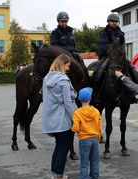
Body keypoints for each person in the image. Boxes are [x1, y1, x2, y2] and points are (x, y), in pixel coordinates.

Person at [50, 12, 82, 160]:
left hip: (71, 56)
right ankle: (45, 85)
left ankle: (86, 84)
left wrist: (74, 53)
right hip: (60, 58)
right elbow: (54, 47)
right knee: (47, 67)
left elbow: (73, 46)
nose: (64, 23)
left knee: (81, 65)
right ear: (58, 21)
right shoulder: (55, 33)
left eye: (66, 21)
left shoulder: (70, 32)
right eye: (62, 21)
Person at [42, 54, 76, 179]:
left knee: (58, 147)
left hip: (51, 119)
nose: (68, 68)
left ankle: (55, 175)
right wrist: (74, 119)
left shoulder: (47, 78)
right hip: (62, 120)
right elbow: (67, 102)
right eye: (67, 65)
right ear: (62, 63)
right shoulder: (63, 80)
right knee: (64, 148)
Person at [96, 13, 138, 103]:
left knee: (133, 70)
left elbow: (123, 46)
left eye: (116, 21)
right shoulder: (103, 33)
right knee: (99, 70)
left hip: (119, 56)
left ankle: (134, 93)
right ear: (108, 22)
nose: (114, 23)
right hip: (107, 56)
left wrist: (120, 53)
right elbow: (102, 46)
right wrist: (112, 51)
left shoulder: (121, 34)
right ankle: (97, 93)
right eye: (112, 21)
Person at [71, 87, 101, 179]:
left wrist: (77, 130)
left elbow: (75, 128)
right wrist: (98, 136)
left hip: (84, 139)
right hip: (94, 139)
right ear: (90, 98)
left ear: (79, 99)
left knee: (84, 162)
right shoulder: (96, 111)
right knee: (94, 161)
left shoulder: (77, 113)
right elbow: (99, 126)